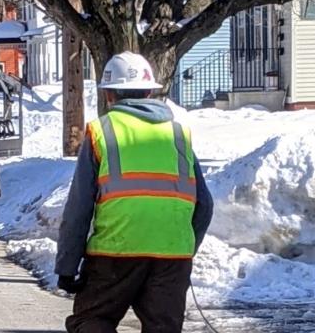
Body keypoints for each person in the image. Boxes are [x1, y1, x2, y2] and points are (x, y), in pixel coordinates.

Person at [55, 52, 213, 333]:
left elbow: (79, 208)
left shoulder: (102, 132)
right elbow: (205, 205)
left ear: (108, 96)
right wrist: (184, 248)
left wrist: (67, 266)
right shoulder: (177, 135)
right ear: (150, 91)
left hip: (114, 254)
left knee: (92, 321)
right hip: (171, 259)